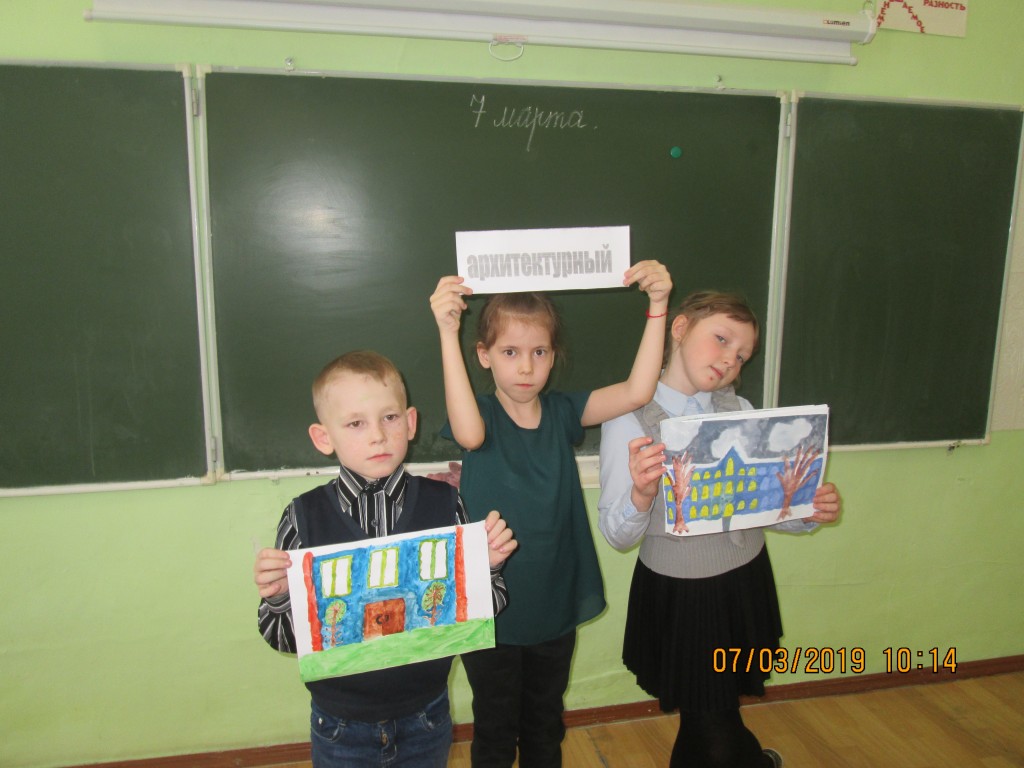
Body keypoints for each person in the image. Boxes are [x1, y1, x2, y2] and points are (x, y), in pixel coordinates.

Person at [429, 261, 673, 767]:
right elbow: (469, 435)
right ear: (484, 356)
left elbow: (637, 391)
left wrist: (658, 306)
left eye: (538, 352)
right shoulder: (481, 418)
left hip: (554, 600)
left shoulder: (564, 411)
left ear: (553, 356)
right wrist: (448, 331)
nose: (526, 367)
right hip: (492, 606)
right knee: (495, 728)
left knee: (544, 722)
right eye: (510, 352)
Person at [597, 290, 843, 768]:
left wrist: (806, 511)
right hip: (683, 592)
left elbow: (761, 507)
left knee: (714, 710)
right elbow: (617, 535)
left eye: (742, 355)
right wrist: (642, 495)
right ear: (680, 328)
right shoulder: (627, 418)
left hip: (743, 580)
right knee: (711, 721)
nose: (731, 359)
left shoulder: (740, 409)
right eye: (722, 339)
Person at [253, 350, 518, 768]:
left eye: (389, 418)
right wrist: (280, 598)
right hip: (340, 723)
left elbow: (482, 614)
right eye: (355, 423)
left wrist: (488, 569)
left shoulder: (445, 504)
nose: (377, 435)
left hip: (426, 715)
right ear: (324, 438)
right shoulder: (304, 517)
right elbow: (281, 637)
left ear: (410, 423)